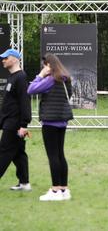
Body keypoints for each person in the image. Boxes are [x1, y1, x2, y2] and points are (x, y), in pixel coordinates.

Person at [27, 53, 73, 201]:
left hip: (50, 122)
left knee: (53, 155)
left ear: (49, 65)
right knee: (60, 154)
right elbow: (69, 95)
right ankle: (64, 190)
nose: (43, 67)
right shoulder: (66, 78)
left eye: (44, 65)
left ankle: (55, 191)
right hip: (62, 120)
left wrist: (40, 75)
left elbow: (31, 89)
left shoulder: (50, 80)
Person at [0, 49, 32, 191]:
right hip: (10, 122)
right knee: (18, 153)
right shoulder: (12, 77)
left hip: (14, 124)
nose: (3, 60)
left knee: (4, 152)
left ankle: (24, 183)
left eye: (5, 58)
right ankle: (24, 183)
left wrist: (23, 124)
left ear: (14, 59)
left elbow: (25, 102)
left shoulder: (21, 77)